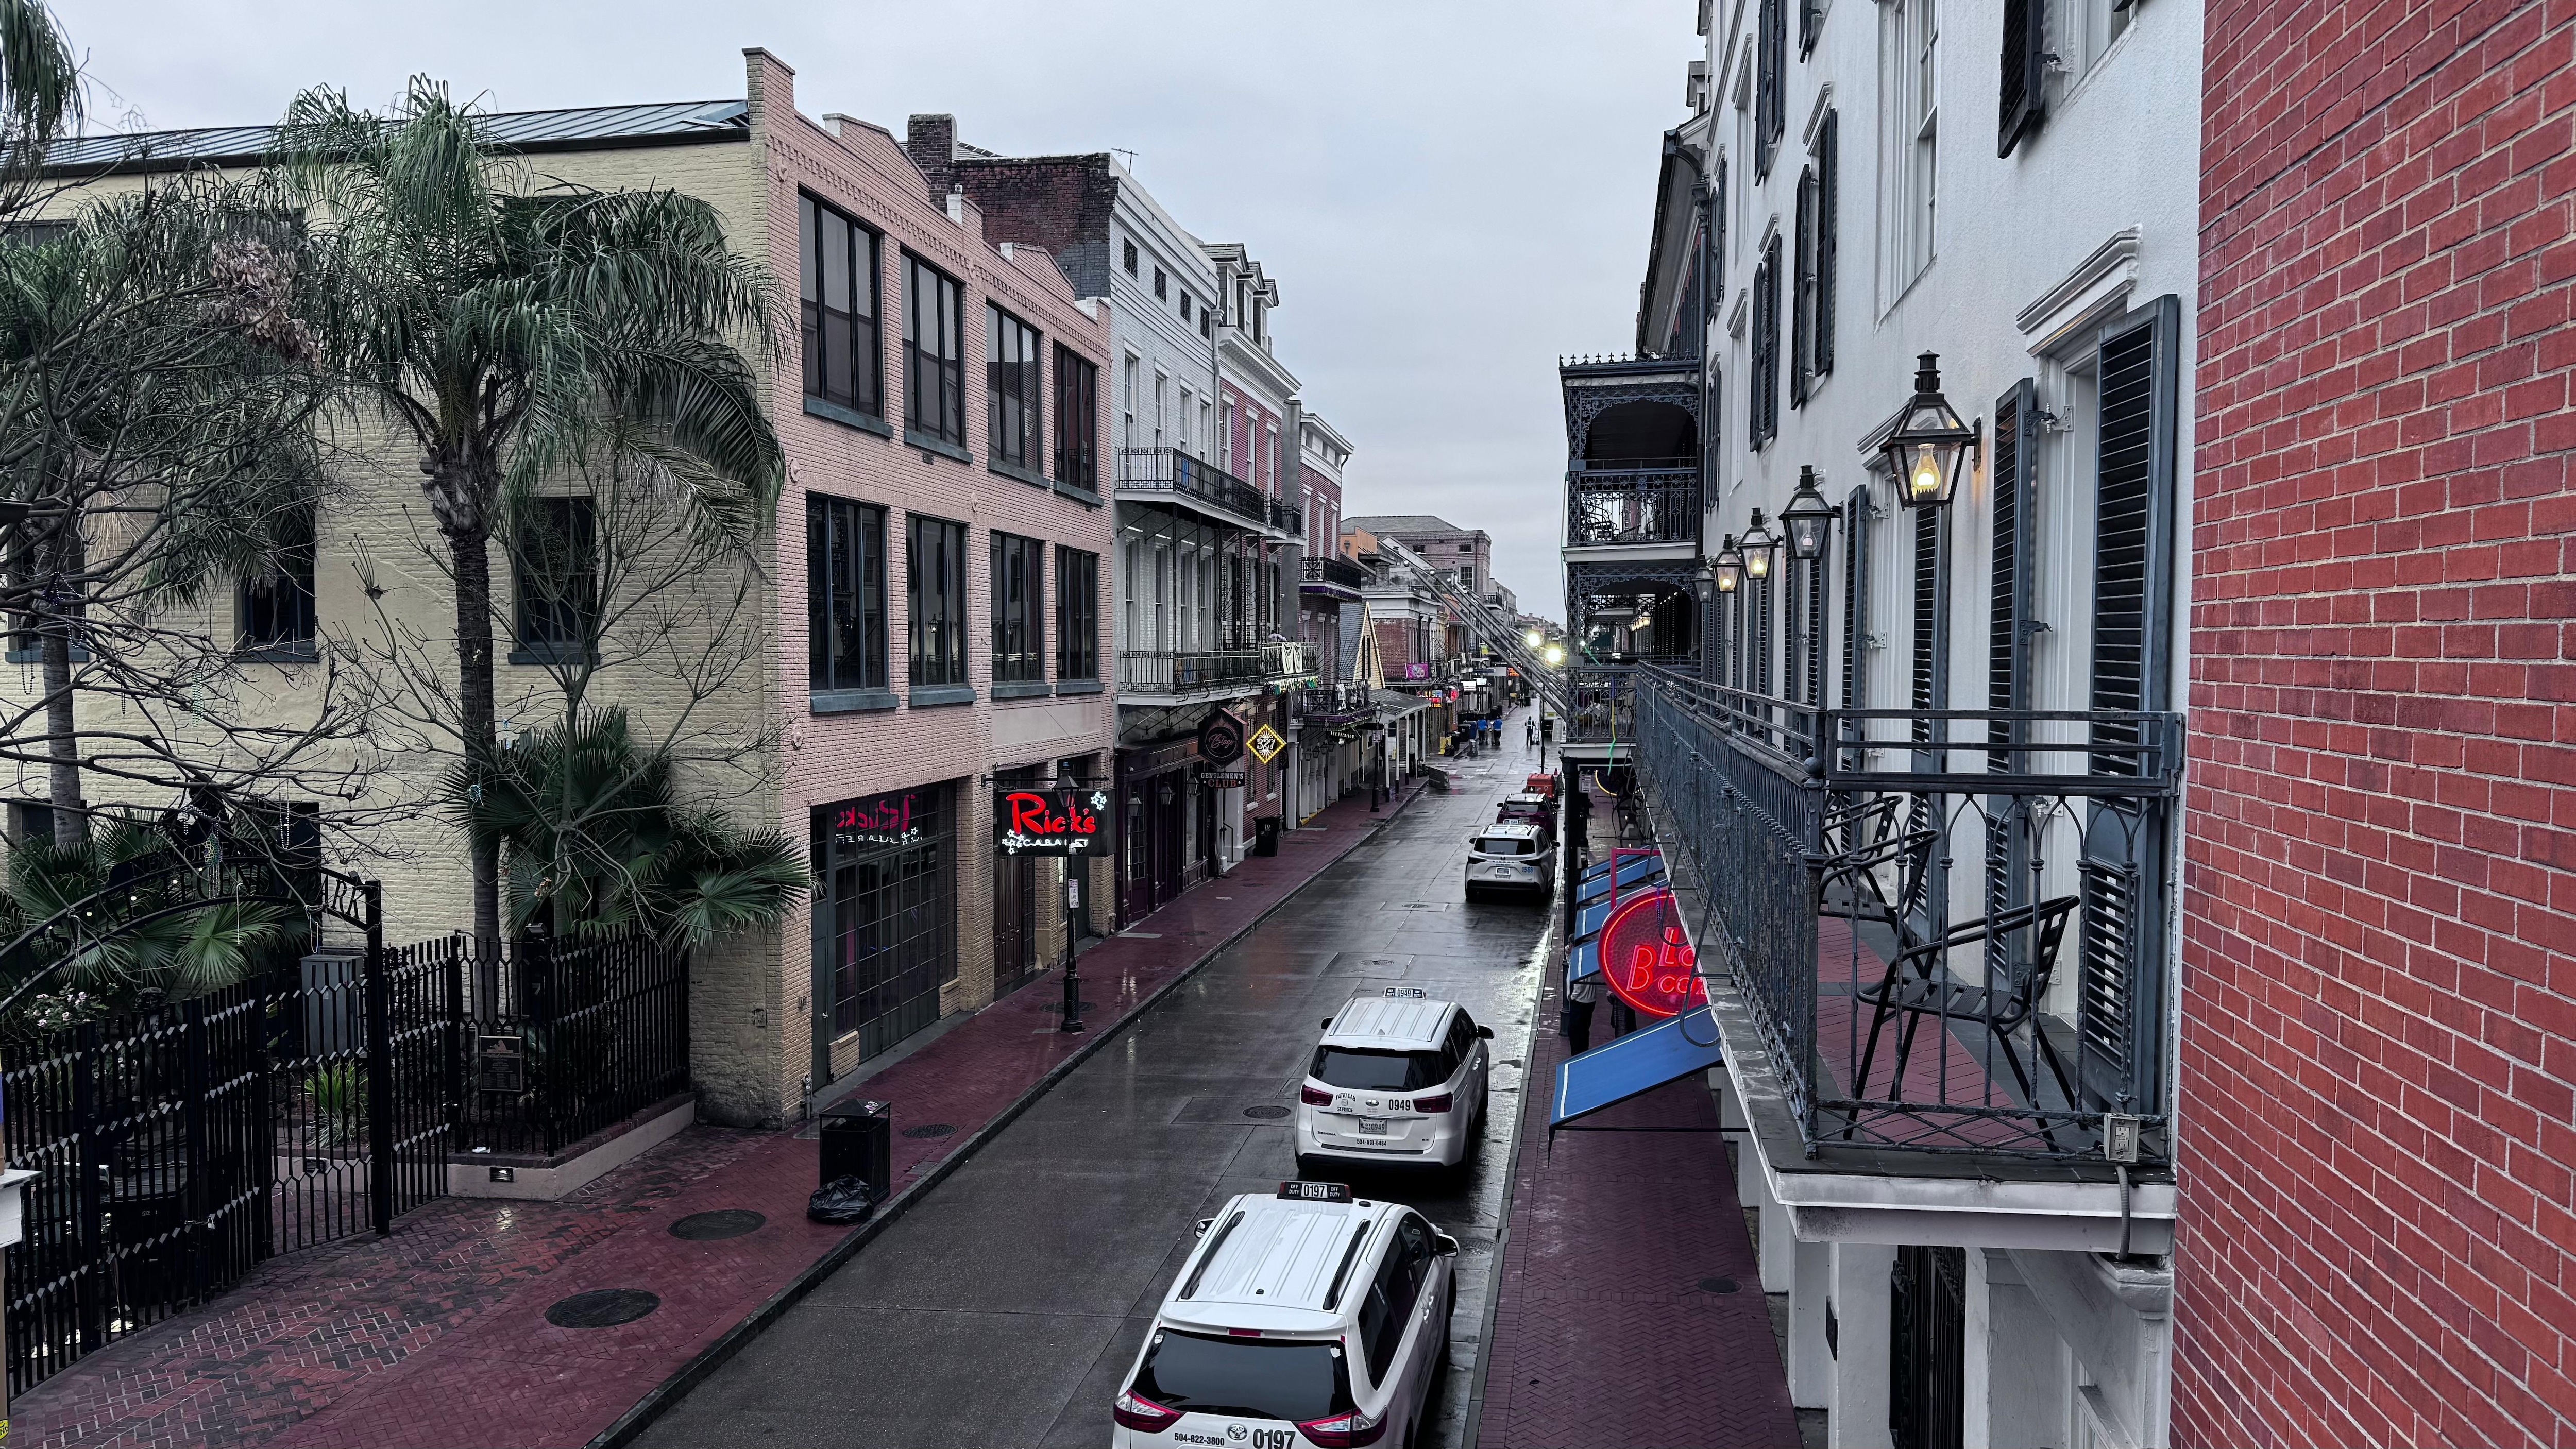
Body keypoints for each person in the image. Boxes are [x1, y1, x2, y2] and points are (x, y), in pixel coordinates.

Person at [1563, 960, 1603, 1054]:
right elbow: (1571, 962)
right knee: (1584, 1031)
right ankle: (1583, 1053)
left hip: (1580, 1001)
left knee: (1575, 1032)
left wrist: (1572, 997)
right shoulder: (1585, 958)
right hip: (1589, 1000)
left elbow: (1579, 984)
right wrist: (1569, 955)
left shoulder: (1580, 963)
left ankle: (1577, 1056)